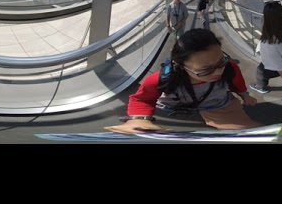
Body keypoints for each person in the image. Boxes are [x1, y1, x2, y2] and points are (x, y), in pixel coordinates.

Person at [105, 29, 260, 133]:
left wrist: (244, 95)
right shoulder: (161, 79)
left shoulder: (230, 68)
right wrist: (139, 119)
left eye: (221, 61)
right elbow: (142, 99)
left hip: (218, 105)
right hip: (175, 111)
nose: (219, 71)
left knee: (247, 132)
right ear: (180, 65)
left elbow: (237, 84)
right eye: (206, 69)